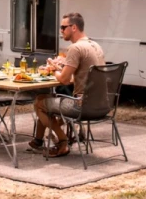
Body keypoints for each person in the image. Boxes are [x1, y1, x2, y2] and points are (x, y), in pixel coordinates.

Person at [30, 12, 105, 158]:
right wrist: (58, 68)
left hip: (82, 106)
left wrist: (52, 71)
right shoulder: (95, 45)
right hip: (102, 105)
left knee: (39, 103)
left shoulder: (75, 48)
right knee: (45, 100)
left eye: (63, 27)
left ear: (74, 27)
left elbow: (64, 80)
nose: (61, 31)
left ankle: (62, 142)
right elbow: (80, 73)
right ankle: (38, 140)